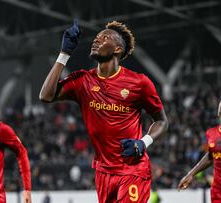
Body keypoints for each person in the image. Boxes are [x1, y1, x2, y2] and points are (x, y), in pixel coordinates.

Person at [39, 20, 168, 202]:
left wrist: (143, 143)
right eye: (96, 38)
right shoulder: (83, 81)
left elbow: (162, 121)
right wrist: (64, 54)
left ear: (117, 49)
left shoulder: (139, 83)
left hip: (132, 169)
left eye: (104, 37)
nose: (96, 40)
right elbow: (46, 96)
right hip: (103, 173)